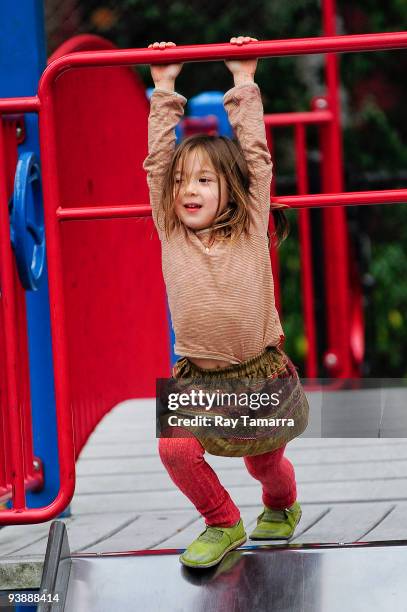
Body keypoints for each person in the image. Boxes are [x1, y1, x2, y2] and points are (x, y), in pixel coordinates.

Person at [143, 36, 310, 569]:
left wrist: (243, 80)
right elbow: (156, 164)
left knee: (266, 466)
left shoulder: (248, 227)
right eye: (181, 182)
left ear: (232, 190)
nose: (187, 190)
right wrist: (164, 87)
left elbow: (257, 158)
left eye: (204, 181)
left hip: (258, 373)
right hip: (197, 375)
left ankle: (282, 504)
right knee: (174, 448)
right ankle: (222, 520)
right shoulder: (171, 231)